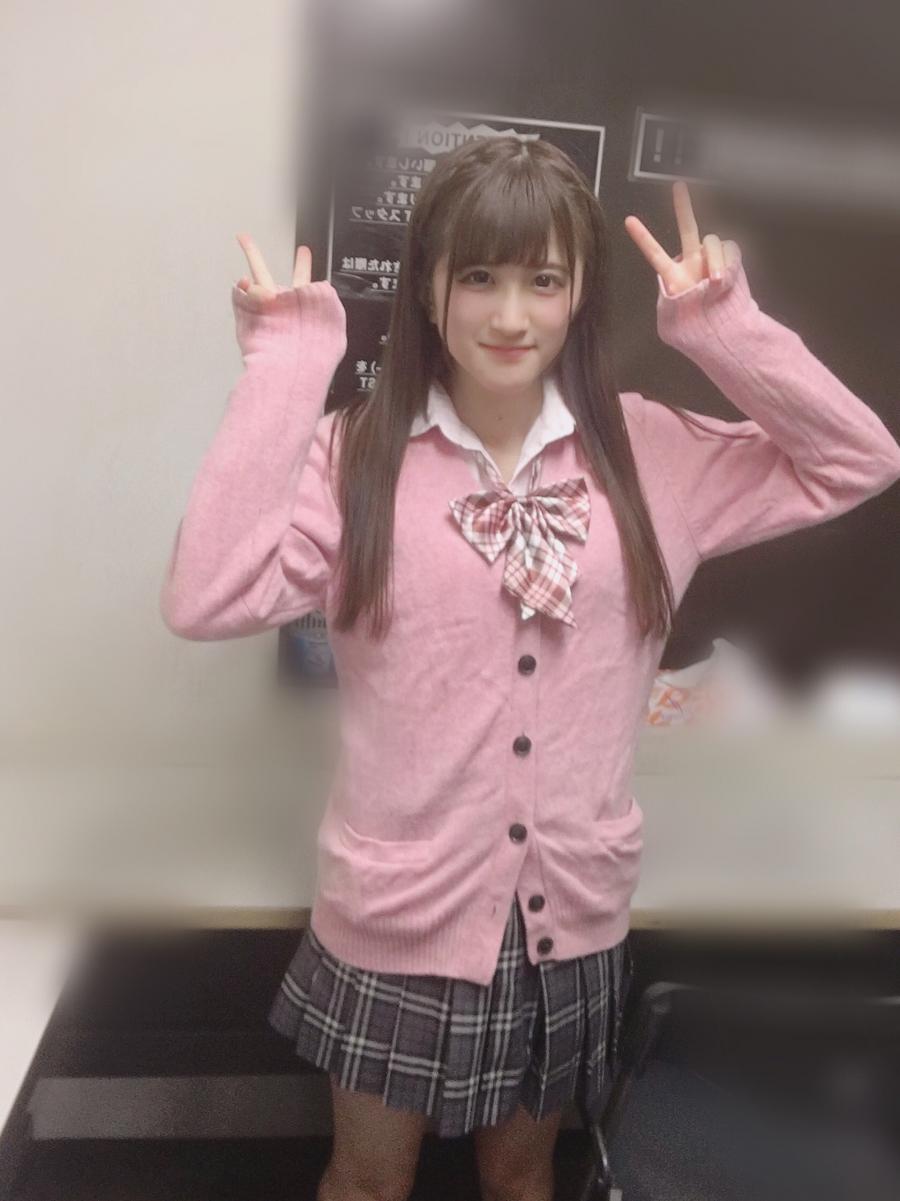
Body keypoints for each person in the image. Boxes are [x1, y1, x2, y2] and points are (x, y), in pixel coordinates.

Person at [160, 136, 900, 1201]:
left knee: (522, 1178)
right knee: (368, 1182)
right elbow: (206, 595)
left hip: (570, 912)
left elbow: (858, 459)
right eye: (479, 276)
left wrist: (723, 328)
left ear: (580, 292)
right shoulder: (358, 454)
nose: (511, 315)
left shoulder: (648, 452)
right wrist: (285, 369)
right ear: (428, 287)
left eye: (543, 280)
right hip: (401, 910)